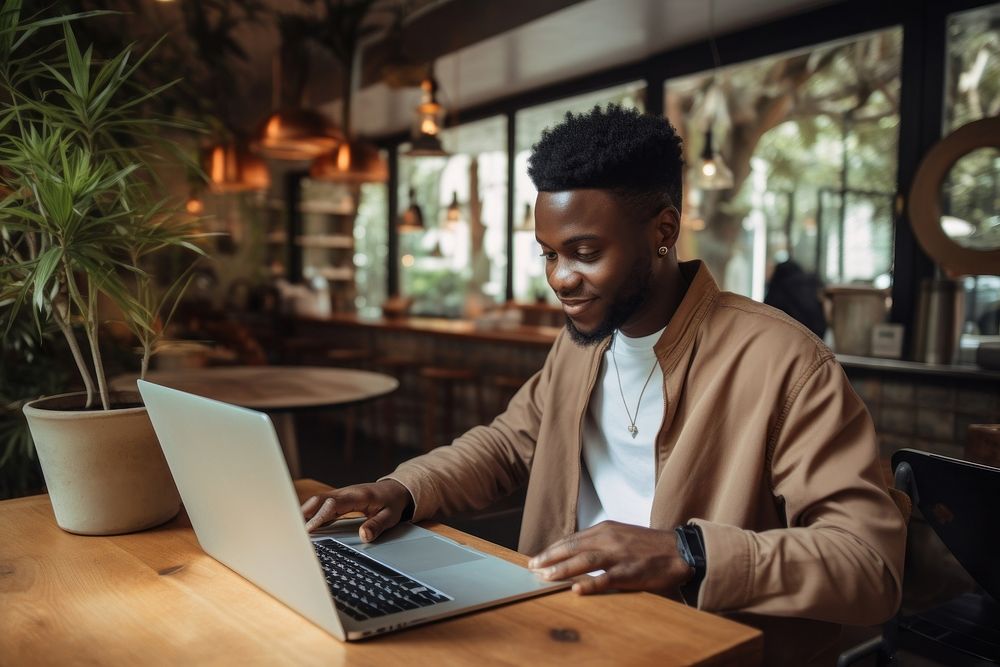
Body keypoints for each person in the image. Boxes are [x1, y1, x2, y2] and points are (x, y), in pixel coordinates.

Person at [302, 105, 906, 665]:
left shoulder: (786, 363)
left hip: (689, 645)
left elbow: (869, 566)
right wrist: (400, 488)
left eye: (585, 252)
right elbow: (510, 443)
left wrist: (686, 553)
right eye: (548, 254)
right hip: (561, 621)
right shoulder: (582, 342)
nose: (561, 279)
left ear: (663, 230)